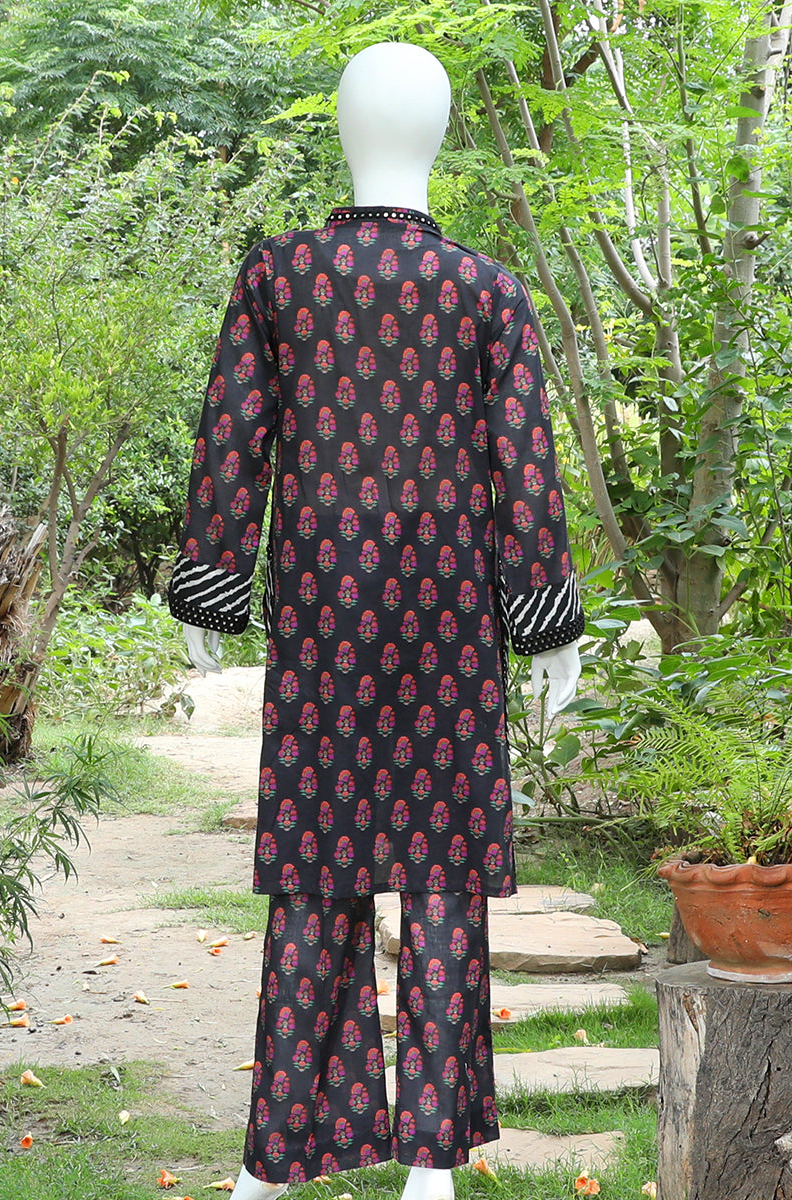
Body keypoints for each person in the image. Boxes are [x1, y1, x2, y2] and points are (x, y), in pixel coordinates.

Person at [169, 42, 584, 1200]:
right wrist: (547, 621)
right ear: (437, 136)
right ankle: (430, 1166)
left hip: (325, 619)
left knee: (318, 872)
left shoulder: (280, 274)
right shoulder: (489, 290)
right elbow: (524, 469)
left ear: (348, 129)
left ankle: (274, 1163)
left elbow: (233, 435)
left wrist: (213, 574)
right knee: (441, 877)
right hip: (451, 624)